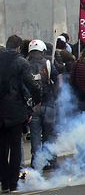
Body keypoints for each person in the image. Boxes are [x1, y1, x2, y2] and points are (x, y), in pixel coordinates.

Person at [0, 36, 40, 192]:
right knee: (16, 146)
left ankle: (4, 181)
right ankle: (13, 182)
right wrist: (35, 102)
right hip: (16, 109)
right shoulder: (22, 62)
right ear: (18, 48)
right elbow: (32, 85)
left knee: (1, 148)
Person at [26, 39, 58, 170]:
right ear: (43, 50)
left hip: (33, 106)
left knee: (34, 135)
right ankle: (49, 160)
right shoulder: (48, 63)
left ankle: (36, 161)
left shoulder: (25, 64)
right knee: (49, 134)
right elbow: (56, 80)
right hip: (48, 103)